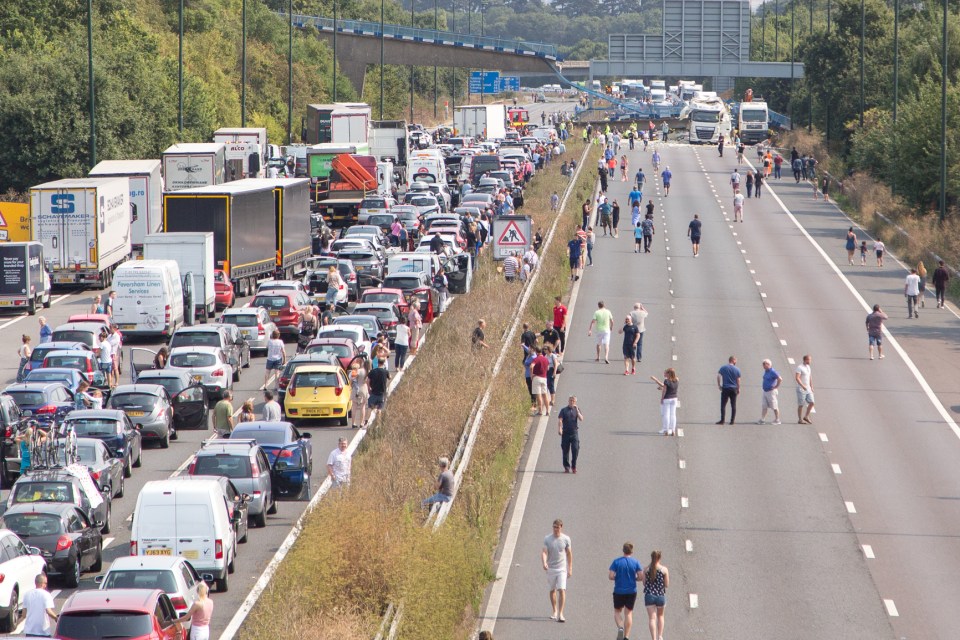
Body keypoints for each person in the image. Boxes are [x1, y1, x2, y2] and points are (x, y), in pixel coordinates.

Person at [609, 542, 643, 640]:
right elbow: (640, 576)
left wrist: (617, 577)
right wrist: (635, 579)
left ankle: (620, 627)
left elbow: (611, 576)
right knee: (628, 613)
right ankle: (627, 636)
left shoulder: (616, 562)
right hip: (631, 591)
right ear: (631, 551)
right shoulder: (635, 562)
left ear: (623, 550)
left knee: (617, 611)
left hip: (619, 590)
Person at [542, 519, 573, 622]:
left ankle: (561, 613)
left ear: (561, 527)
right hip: (551, 568)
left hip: (562, 569)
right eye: (554, 527)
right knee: (552, 590)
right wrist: (544, 562)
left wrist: (570, 568)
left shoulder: (566, 539)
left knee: (562, 589)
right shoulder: (547, 538)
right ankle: (554, 610)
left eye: (557, 527)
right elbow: (544, 552)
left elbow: (569, 554)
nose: (555, 529)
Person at [640, 550, 669, 640]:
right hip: (660, 595)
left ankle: (653, 638)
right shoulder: (664, 570)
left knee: (652, 618)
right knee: (660, 616)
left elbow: (644, 583)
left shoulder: (646, 570)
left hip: (649, 596)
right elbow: (667, 584)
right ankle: (660, 636)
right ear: (659, 558)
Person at [557, 396, 583, 473]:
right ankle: (566, 467)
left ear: (575, 402)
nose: (572, 402)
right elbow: (560, 420)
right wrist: (560, 429)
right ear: (568, 401)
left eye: (573, 401)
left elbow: (581, 419)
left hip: (574, 433)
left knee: (575, 449)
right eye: (570, 400)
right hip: (565, 433)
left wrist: (578, 411)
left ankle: (574, 466)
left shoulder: (576, 410)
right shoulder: (564, 410)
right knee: (565, 450)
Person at [651, 368, 678, 436]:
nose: (664, 374)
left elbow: (664, 390)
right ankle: (673, 430)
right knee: (673, 415)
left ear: (669, 374)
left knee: (666, 415)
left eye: (665, 373)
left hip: (667, 398)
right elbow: (669, 387)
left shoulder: (666, 381)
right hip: (674, 398)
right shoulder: (677, 379)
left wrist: (662, 398)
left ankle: (666, 429)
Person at [716, 355, 741, 425]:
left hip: (725, 388)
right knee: (733, 405)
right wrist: (738, 388)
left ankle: (722, 420)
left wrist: (719, 385)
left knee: (723, 404)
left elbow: (718, 376)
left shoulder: (723, 368)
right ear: (733, 360)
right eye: (735, 360)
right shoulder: (737, 369)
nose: (736, 362)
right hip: (734, 388)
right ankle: (732, 421)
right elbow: (738, 380)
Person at [758, 359, 783, 425]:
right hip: (765, 391)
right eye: (763, 364)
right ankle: (762, 419)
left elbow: (780, 379)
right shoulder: (766, 371)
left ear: (769, 364)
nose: (763, 365)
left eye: (764, 364)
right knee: (764, 406)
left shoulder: (772, 371)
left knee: (774, 406)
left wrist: (776, 386)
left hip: (771, 392)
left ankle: (777, 420)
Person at [795, 354, 815, 424]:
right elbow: (797, 378)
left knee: (812, 402)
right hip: (801, 389)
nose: (810, 361)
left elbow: (810, 377)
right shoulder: (800, 367)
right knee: (801, 404)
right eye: (809, 359)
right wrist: (802, 386)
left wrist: (811, 386)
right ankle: (800, 419)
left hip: (808, 388)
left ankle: (806, 416)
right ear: (805, 360)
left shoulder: (808, 367)